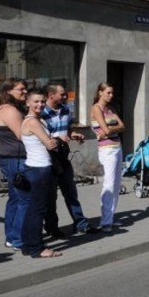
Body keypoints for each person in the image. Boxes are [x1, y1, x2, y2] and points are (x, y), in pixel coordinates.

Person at [41, 84, 97, 236]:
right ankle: (52, 227)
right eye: (62, 94)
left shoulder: (65, 110)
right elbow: (40, 137)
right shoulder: (41, 113)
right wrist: (58, 138)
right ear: (51, 95)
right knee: (50, 197)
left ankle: (81, 223)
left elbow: (67, 129)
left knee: (71, 193)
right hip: (49, 158)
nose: (65, 97)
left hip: (63, 157)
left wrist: (74, 134)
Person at [20, 89, 63, 258]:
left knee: (32, 209)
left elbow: (50, 142)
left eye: (42, 101)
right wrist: (55, 141)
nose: (40, 104)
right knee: (39, 209)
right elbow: (50, 144)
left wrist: (53, 141)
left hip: (35, 167)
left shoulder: (38, 120)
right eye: (36, 101)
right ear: (28, 103)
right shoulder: (32, 122)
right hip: (40, 169)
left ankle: (27, 245)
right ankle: (38, 248)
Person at [0, 78, 28, 251]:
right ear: (8, 91)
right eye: (21, 89)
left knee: (15, 199)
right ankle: (17, 239)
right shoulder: (10, 110)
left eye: (26, 89)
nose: (25, 92)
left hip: (11, 159)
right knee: (24, 200)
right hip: (16, 160)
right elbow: (23, 135)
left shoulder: (5, 108)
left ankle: (12, 237)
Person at [90, 83, 125, 232]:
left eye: (112, 93)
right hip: (107, 149)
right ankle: (105, 222)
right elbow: (104, 129)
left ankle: (110, 218)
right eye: (108, 93)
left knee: (116, 184)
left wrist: (109, 129)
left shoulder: (110, 109)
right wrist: (108, 130)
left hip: (117, 147)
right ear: (100, 93)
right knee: (109, 184)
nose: (111, 95)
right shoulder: (96, 108)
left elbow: (123, 126)